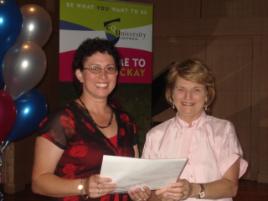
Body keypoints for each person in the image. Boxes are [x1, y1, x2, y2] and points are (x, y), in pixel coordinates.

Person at [32, 38, 150, 201]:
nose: (103, 75)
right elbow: (39, 182)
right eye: (95, 68)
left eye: (110, 68)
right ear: (80, 74)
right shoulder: (62, 120)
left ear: (116, 74)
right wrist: (83, 186)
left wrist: (138, 191)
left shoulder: (125, 120)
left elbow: (134, 173)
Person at [142, 59, 248, 201]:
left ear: (206, 96)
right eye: (181, 89)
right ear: (171, 94)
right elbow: (149, 194)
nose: (188, 97)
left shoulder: (223, 130)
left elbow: (231, 187)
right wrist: (157, 197)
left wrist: (193, 189)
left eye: (196, 90)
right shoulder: (155, 136)